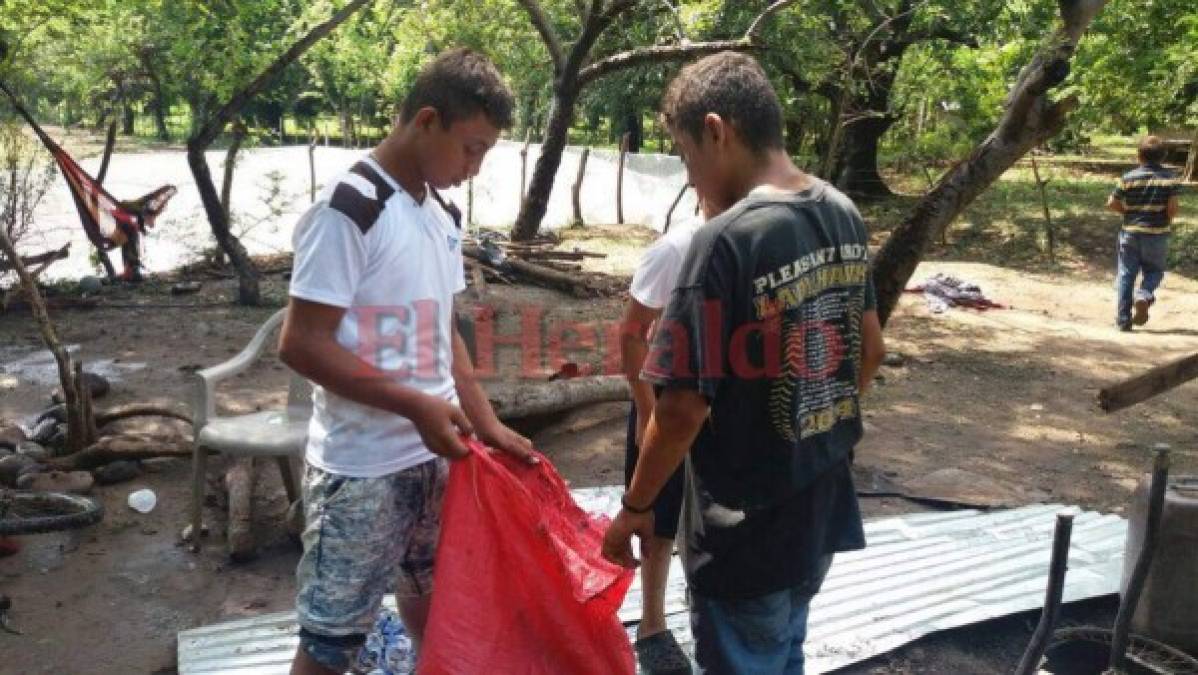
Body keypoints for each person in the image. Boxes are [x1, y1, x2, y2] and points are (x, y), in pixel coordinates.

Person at [602, 52, 886, 674]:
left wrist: (635, 506)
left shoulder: (723, 242)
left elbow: (679, 411)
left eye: (684, 155)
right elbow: (869, 351)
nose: (690, 178)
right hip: (820, 504)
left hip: (745, 528)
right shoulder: (841, 210)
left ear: (715, 131)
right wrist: (807, 424)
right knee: (785, 650)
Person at [278, 48, 535, 675]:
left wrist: (489, 425)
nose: (474, 168)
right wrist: (414, 405)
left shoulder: (440, 213)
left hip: (434, 455)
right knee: (332, 636)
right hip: (362, 468)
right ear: (426, 121)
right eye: (470, 148)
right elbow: (301, 343)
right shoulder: (351, 207)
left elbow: (443, 334)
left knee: (432, 594)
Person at [621, 202, 710, 675]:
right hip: (668, 389)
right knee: (655, 510)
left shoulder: (759, 238)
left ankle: (709, 605)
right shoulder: (674, 249)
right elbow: (633, 334)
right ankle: (652, 623)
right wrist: (645, 407)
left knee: (719, 507)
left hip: (728, 391)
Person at [1107, 135, 1182, 331]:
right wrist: (1167, 219)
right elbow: (1173, 209)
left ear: (1139, 156)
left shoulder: (1128, 178)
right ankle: (1144, 294)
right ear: (1163, 157)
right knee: (1155, 271)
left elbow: (1111, 203)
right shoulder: (1170, 180)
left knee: (1126, 275)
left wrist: (1128, 212)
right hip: (1157, 233)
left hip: (1130, 233)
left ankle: (1123, 320)